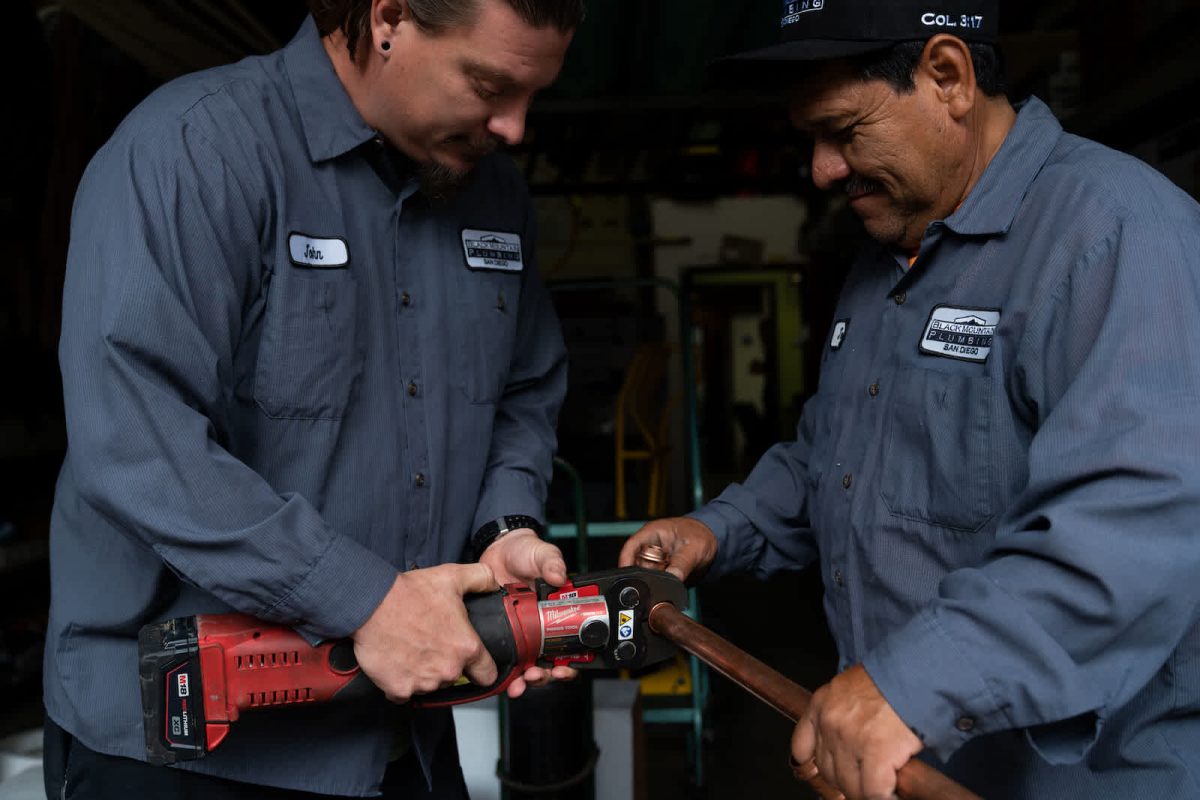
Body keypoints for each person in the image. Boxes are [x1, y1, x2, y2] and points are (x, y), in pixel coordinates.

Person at [620, 1, 1200, 798]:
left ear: (948, 77)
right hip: (907, 765)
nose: (823, 169)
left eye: (845, 130)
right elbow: (837, 455)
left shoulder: (1117, 235)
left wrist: (912, 684)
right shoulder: (884, 259)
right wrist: (717, 530)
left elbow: (1134, 521)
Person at [43, 0, 584, 797]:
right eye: (488, 85)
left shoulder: (492, 195)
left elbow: (523, 389)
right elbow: (133, 436)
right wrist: (363, 600)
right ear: (390, 17)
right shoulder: (196, 151)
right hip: (187, 754)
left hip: (401, 742)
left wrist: (501, 526)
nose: (513, 128)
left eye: (533, 95)